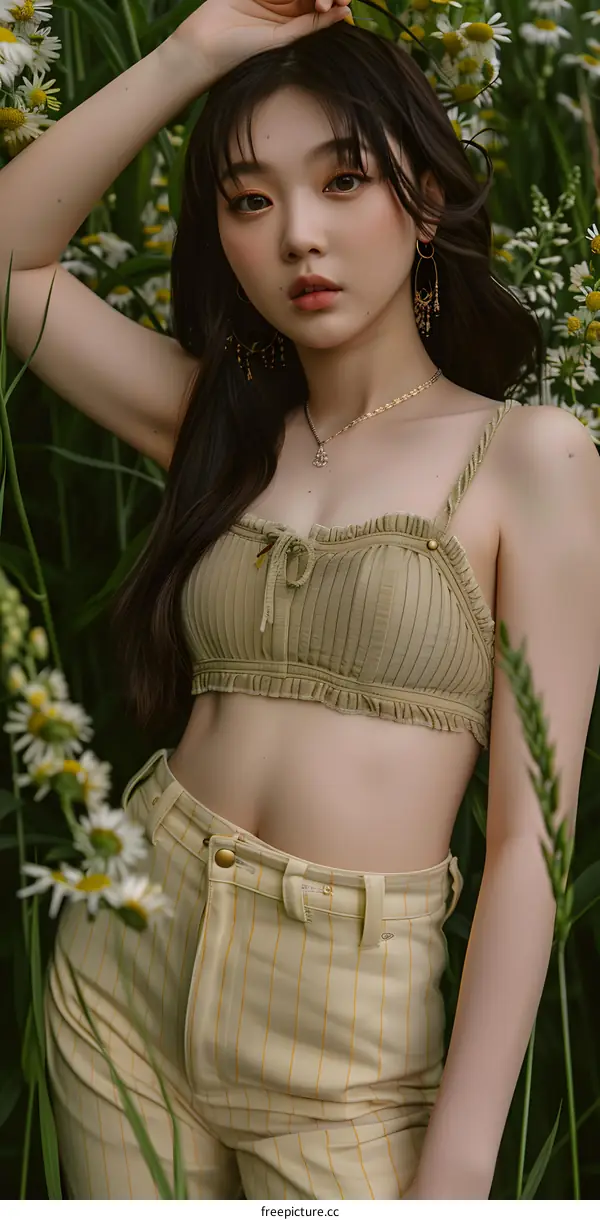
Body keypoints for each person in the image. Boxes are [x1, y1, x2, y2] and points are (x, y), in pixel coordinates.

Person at [2, 0, 599, 1203]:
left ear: (425, 202)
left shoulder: (532, 456)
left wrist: (461, 1168)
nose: (299, 239)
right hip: (129, 959)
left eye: (342, 181)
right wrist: (194, 51)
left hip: (345, 1034)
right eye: (250, 199)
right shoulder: (216, 430)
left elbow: (534, 841)